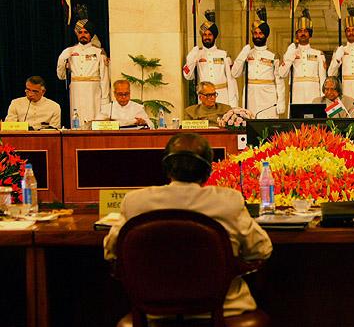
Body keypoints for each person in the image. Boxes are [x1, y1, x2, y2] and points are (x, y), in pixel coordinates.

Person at [104, 133, 272, 316]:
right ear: (208, 171)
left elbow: (111, 250)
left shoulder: (135, 202)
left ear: (166, 168)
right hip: (224, 311)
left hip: (153, 312)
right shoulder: (228, 202)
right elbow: (261, 250)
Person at [232, 7, 286, 118]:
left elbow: (279, 81)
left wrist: (281, 101)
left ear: (266, 35)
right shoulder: (247, 53)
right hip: (250, 95)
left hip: (268, 96)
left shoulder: (273, 55)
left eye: (260, 33)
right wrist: (243, 54)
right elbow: (235, 73)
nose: (257, 36)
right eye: (255, 33)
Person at [56, 13, 110, 122]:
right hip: (76, 90)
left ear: (90, 34)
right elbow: (61, 76)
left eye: (86, 32)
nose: (83, 35)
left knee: (93, 118)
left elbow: (104, 79)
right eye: (80, 32)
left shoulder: (99, 53)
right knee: (77, 118)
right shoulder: (70, 51)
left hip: (94, 91)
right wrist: (62, 59)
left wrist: (105, 101)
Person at [182, 10, 238, 107]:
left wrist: (233, 102)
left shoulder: (224, 54)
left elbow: (231, 79)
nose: (207, 37)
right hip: (204, 97)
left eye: (210, 35)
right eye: (204, 35)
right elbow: (187, 75)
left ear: (214, 36)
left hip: (222, 96)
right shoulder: (196, 54)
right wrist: (191, 57)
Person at [279, 9, 326, 104]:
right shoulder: (291, 53)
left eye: (305, 31)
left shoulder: (318, 54)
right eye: (300, 31)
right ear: (296, 34)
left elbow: (323, 78)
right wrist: (290, 56)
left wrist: (322, 99)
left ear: (310, 34)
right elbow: (281, 74)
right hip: (297, 92)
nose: (303, 33)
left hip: (314, 92)